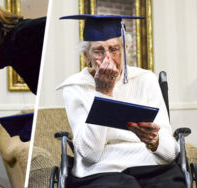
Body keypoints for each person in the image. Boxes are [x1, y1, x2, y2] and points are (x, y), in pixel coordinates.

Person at [57, 15, 185, 187]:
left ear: (126, 48)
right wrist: (103, 93)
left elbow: (170, 153)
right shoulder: (75, 87)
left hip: (151, 165)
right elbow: (90, 154)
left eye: (114, 49)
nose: (107, 58)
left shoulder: (146, 80)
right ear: (86, 56)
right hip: (100, 171)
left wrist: (155, 142)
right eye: (98, 51)